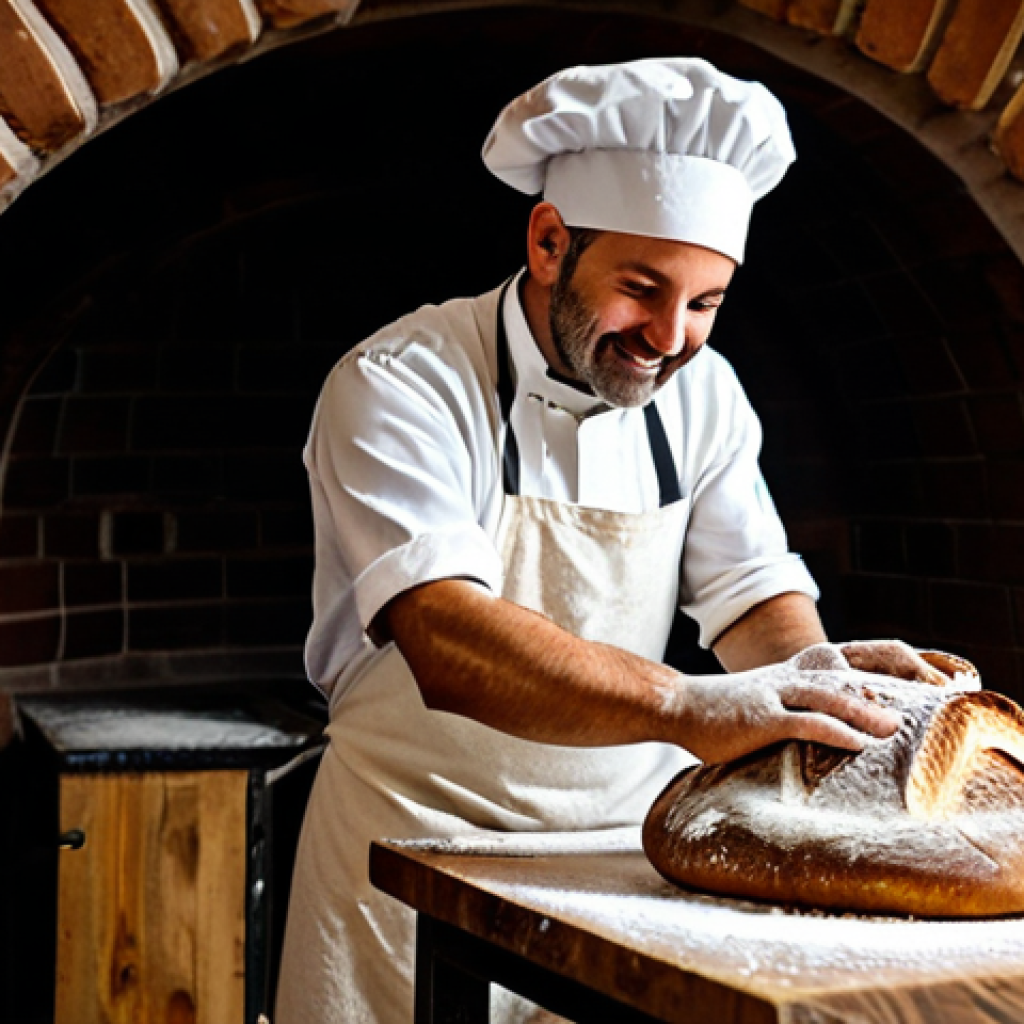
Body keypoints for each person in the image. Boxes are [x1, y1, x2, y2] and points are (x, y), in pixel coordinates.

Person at [275, 57, 945, 1024]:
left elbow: (751, 590)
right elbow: (447, 637)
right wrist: (690, 705)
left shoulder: (705, 395)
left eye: (706, 303)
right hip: (411, 852)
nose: (669, 337)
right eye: (642, 288)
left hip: (627, 864)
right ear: (550, 241)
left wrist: (813, 676)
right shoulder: (401, 380)